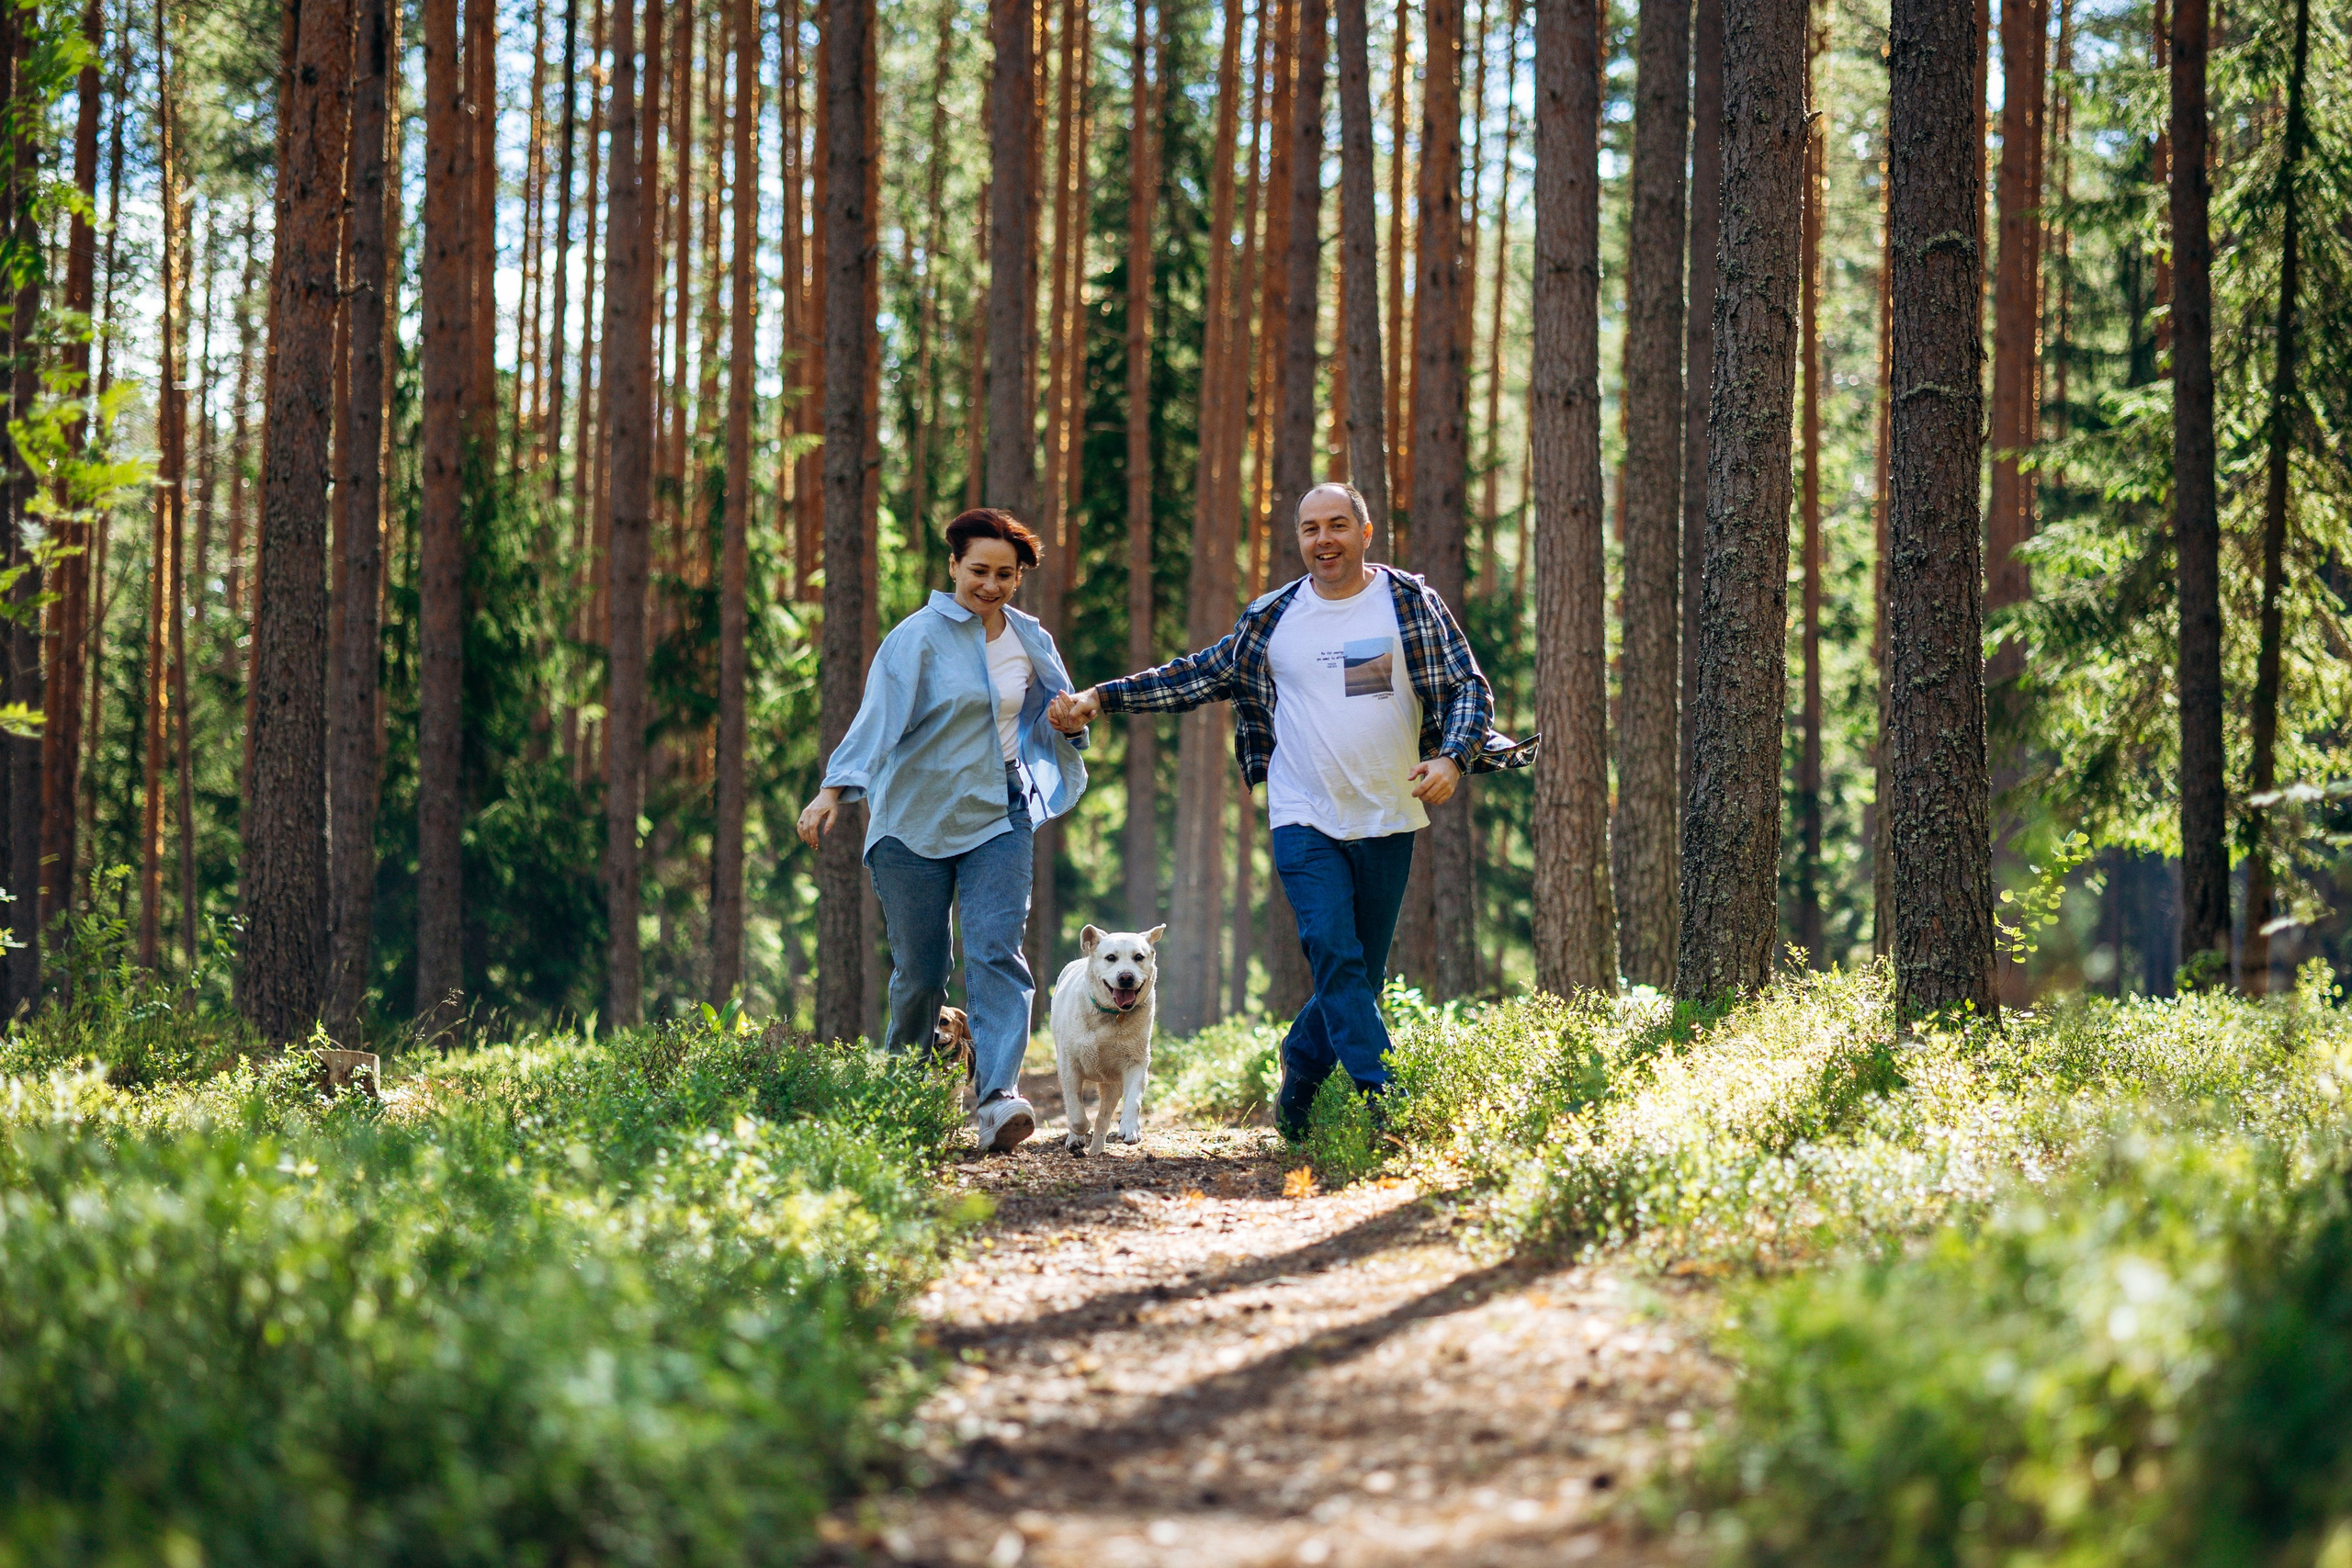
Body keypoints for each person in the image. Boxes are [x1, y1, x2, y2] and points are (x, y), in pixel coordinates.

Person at [1049, 482, 1535, 1138]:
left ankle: (1300, 1070)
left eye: (1338, 525)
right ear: (1299, 538)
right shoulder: (1273, 617)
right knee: (1334, 953)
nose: (1323, 539)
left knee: (1364, 971)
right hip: (1302, 814)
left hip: (1389, 813)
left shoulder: (1407, 602)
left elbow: (1465, 685)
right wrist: (1102, 698)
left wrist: (1452, 756)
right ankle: (1385, 1099)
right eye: (1310, 528)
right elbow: (1195, 673)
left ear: (1366, 533)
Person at [799, 508, 1089, 1153]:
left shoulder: (1029, 637)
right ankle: (900, 1093)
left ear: (1018, 578)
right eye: (979, 570)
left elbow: (1055, 713)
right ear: (953, 566)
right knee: (922, 973)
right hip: (913, 822)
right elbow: (876, 719)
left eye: (1005, 574)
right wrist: (834, 790)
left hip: (999, 813)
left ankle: (996, 1098)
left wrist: (1069, 724)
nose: (991, 584)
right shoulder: (916, 638)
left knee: (996, 950)